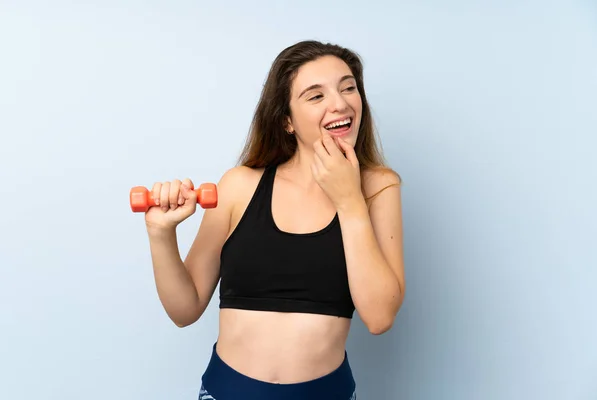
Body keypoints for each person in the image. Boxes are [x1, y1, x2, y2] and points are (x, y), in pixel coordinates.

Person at [143, 40, 405, 400]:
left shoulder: (379, 188)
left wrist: (349, 200)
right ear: (287, 121)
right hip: (226, 392)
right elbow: (184, 310)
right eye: (316, 96)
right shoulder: (239, 186)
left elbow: (379, 317)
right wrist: (161, 233)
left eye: (348, 88)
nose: (340, 103)